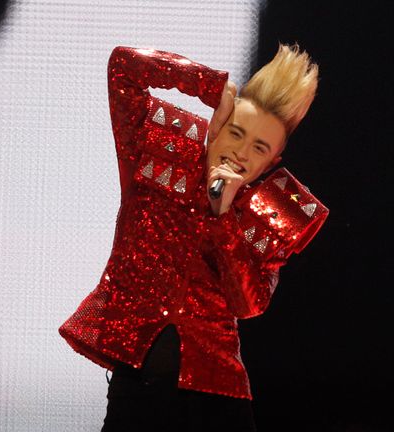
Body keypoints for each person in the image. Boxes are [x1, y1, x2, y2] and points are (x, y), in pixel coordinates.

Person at [59, 44, 328, 431]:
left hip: (219, 398)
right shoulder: (156, 147)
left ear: (272, 162)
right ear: (218, 123)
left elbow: (248, 303)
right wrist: (210, 86)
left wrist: (223, 218)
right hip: (138, 383)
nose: (241, 152)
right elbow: (123, 67)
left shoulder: (268, 212)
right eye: (236, 132)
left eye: (259, 148)